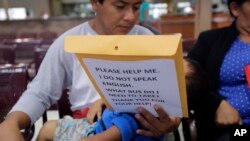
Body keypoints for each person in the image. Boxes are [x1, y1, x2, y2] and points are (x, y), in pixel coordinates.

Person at [0, 0, 180, 140]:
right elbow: (40, 92)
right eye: (120, 6)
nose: (131, 17)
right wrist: (12, 122)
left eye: (136, 7)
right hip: (87, 125)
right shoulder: (70, 42)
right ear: (95, 2)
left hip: (137, 126)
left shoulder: (146, 39)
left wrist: (171, 121)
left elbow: (166, 94)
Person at [36, 58, 209, 141]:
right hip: (99, 123)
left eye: (167, 71)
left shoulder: (137, 114)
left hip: (95, 132)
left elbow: (108, 136)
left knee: (46, 129)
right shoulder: (145, 105)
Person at [187, 0, 250, 140]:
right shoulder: (210, 40)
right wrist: (216, 104)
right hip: (233, 130)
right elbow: (186, 81)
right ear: (235, 8)